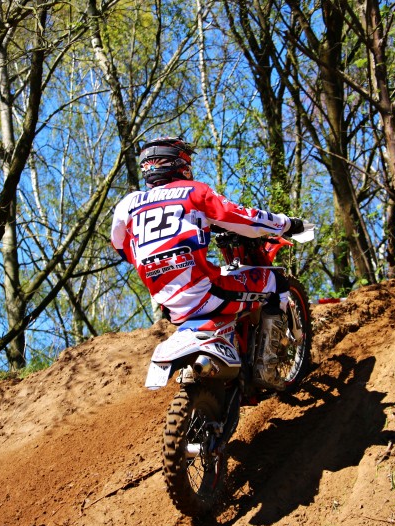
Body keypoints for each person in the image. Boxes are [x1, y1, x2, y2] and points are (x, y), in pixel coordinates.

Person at [110, 136, 306, 390]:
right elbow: (242, 218)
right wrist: (286, 223)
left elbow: (120, 246)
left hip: (168, 303)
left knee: (220, 276)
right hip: (204, 293)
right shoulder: (195, 191)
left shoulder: (128, 205)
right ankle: (267, 368)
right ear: (179, 164)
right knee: (276, 281)